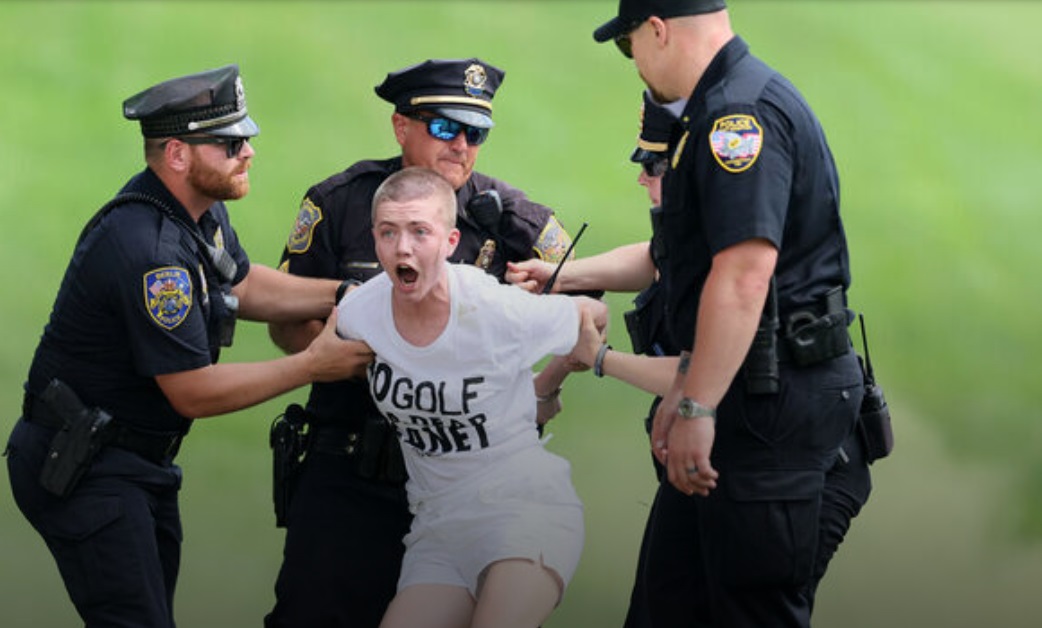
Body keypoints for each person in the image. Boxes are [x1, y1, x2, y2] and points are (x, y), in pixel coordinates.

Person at [3, 64, 374, 628]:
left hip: (133, 463)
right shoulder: (152, 254)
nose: (247, 151)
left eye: (245, 136)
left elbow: (242, 284)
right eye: (229, 143)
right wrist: (312, 364)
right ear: (177, 154)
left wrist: (346, 293)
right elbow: (193, 392)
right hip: (88, 469)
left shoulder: (197, 211)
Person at [265, 58, 576, 628]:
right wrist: (372, 366)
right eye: (443, 128)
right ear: (400, 126)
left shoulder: (510, 218)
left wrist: (540, 386)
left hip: (462, 477)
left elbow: (583, 306)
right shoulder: (339, 203)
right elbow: (285, 321)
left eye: (475, 133)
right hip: (352, 465)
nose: (461, 145)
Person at [590, 0, 873, 625]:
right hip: (743, 398)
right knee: (667, 609)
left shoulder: (736, 116)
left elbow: (744, 275)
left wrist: (696, 403)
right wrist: (692, 391)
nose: (634, 62)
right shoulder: (720, 105)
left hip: (769, 409)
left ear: (657, 30)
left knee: (747, 613)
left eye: (629, 44)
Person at [336, 166, 608, 628]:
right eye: (388, 232)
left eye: (420, 231)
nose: (402, 247)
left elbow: (594, 314)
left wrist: (547, 384)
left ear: (450, 241)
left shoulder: (492, 308)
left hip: (524, 508)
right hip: (438, 525)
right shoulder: (360, 313)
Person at [507, 88, 681, 628]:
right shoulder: (693, 223)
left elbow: (699, 373)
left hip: (760, 453)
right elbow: (657, 258)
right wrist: (560, 276)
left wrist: (599, 358)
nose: (641, 178)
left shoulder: (727, 239)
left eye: (653, 165)